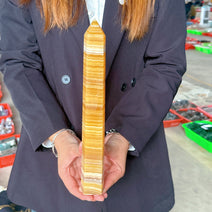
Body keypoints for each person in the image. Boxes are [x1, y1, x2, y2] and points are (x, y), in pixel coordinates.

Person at [0, 0, 186, 211]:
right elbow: (20, 61)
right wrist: (59, 136)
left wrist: (123, 137)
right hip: (51, 159)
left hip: (134, 147)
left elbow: (166, 63)